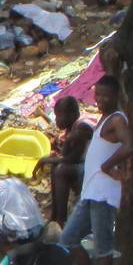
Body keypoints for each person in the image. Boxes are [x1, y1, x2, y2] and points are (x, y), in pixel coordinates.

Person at [62, 73, 132, 265]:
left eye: (106, 96)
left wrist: (106, 166)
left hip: (103, 193)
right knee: (68, 238)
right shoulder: (103, 119)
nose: (101, 99)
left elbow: (129, 145)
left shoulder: (116, 119)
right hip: (91, 192)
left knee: (103, 247)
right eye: (98, 95)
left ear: (116, 96)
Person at [39, 95, 93, 226]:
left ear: (73, 114)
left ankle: (61, 219)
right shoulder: (71, 129)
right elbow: (65, 155)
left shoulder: (82, 127)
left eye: (59, 116)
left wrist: (47, 160)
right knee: (56, 168)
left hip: (91, 169)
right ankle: (55, 214)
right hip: (82, 167)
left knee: (60, 170)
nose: (56, 120)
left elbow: (73, 159)